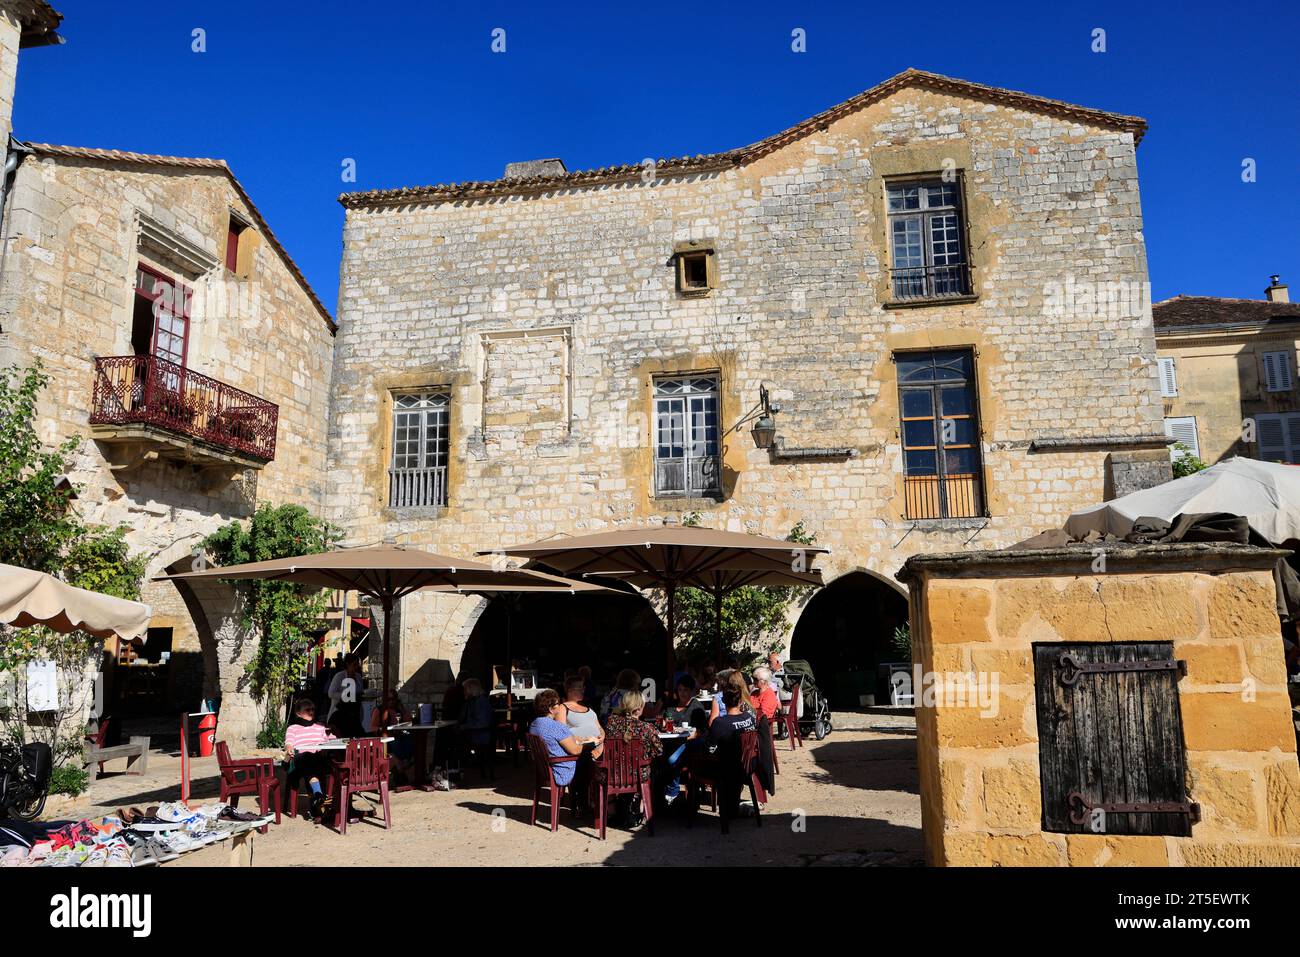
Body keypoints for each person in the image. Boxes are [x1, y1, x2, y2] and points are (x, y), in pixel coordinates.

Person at [600, 689, 662, 826]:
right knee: (654, 769)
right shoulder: (647, 728)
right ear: (640, 708)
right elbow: (658, 751)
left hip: (613, 775)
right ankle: (640, 808)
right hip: (638, 775)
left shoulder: (611, 724)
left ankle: (612, 809)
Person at [705, 682, 758, 820]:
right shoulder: (749, 718)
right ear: (740, 700)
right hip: (748, 765)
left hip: (728, 769)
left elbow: (710, 747)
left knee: (694, 761)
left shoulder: (720, 723)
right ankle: (732, 808)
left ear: (722, 701)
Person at [283, 698, 338, 821]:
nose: (311, 712)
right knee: (308, 757)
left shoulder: (320, 726)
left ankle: (319, 799)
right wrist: (289, 749)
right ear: (298, 713)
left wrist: (333, 736)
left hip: (318, 758)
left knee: (327, 761)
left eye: (312, 709)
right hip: (301, 759)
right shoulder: (293, 728)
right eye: (307, 710)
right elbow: (289, 743)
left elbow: (332, 740)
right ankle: (319, 800)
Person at [528, 689, 594, 789]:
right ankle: (583, 801)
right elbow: (575, 750)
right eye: (558, 703)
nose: (560, 705)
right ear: (551, 709)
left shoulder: (534, 724)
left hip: (545, 768)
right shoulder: (554, 726)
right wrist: (590, 744)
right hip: (560, 770)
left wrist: (581, 741)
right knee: (588, 758)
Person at [369, 691, 413, 777]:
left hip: (399, 735)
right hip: (386, 738)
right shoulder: (379, 710)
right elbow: (372, 727)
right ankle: (401, 765)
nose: (392, 701)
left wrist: (402, 710)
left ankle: (403, 762)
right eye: (389, 699)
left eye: (394, 699)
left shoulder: (398, 709)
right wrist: (383, 729)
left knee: (409, 739)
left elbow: (409, 721)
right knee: (395, 742)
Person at [327, 654, 365, 737]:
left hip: (355, 713)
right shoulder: (339, 676)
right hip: (340, 712)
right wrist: (345, 695)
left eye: (357, 664)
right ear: (348, 664)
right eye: (354, 664)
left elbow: (360, 690)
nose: (356, 667)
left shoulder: (358, 677)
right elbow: (331, 693)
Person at [459, 678, 494, 756]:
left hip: (480, 734)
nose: (464, 692)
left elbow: (482, 723)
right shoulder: (473, 701)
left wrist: (464, 727)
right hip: (477, 732)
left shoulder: (481, 702)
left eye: (465, 689)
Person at [563, 676, 603, 742]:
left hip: (597, 749)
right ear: (569, 689)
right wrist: (585, 740)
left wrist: (602, 735)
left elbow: (599, 727)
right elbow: (561, 733)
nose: (583, 690)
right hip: (581, 749)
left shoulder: (588, 708)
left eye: (583, 687)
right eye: (580, 687)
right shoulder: (563, 708)